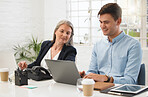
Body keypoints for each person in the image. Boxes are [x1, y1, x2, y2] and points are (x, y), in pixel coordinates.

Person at [80, 3, 142, 84]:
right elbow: (92, 72)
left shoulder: (133, 45)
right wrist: (85, 75)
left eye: (106, 22)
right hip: (98, 90)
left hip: (121, 91)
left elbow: (130, 80)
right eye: (101, 22)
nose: (102, 26)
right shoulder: (98, 45)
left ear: (118, 21)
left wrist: (107, 79)